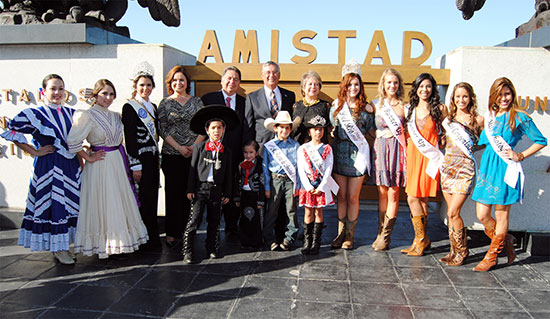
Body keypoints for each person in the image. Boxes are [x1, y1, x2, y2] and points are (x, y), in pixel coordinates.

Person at [1, 74, 80, 264]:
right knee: (55, 204)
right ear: (43, 91)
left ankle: (64, 245)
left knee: (70, 204)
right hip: (49, 166)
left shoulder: (71, 113)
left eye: (61, 88)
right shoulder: (35, 114)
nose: (57, 92)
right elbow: (12, 131)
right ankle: (59, 249)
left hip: (70, 165)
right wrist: (34, 152)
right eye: (53, 88)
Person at [471, 77, 547, 271]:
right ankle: (507, 241)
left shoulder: (520, 117)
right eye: (499, 94)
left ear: (512, 94)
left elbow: (541, 140)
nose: (504, 98)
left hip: (506, 169)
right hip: (488, 168)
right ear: (493, 97)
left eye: (507, 93)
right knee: (482, 213)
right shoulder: (490, 117)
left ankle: (492, 257)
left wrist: (520, 155)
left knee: (501, 214)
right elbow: (484, 143)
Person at [67, 79, 148, 258]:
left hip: (118, 162)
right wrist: (89, 156)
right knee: (103, 202)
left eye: (111, 94)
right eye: (104, 93)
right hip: (100, 165)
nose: (108, 98)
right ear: (96, 94)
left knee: (117, 201)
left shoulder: (115, 115)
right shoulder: (87, 115)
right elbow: (72, 141)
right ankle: (104, 244)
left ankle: (120, 243)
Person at [183, 105, 239, 264]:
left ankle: (211, 248)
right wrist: (190, 189)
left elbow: (229, 174)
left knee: (214, 221)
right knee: (194, 220)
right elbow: (192, 170)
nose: (216, 131)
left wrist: (227, 193)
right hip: (200, 189)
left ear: (224, 130)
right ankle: (188, 251)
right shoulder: (199, 148)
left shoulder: (226, 151)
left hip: (217, 190)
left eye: (219, 128)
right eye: (213, 128)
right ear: (207, 130)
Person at [329, 61, 375, 250]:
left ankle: (350, 236)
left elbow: (373, 132)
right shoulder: (337, 107)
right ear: (344, 86)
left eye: (356, 84)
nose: (353, 88)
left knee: (353, 197)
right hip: (340, 153)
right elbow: (332, 127)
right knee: (341, 196)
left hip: (358, 156)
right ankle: (340, 233)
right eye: (349, 84)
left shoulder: (367, 108)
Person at [202, 66, 251, 241]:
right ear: (222, 80)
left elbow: (246, 128)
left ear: (239, 83)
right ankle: (212, 228)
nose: (232, 82)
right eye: (229, 78)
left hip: (235, 154)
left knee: (232, 189)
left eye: (236, 79)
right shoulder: (208, 99)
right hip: (212, 155)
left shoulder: (245, 102)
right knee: (213, 190)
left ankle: (231, 226)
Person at [158, 65, 204, 247]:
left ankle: (188, 232)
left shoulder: (197, 102)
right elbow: (162, 128)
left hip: (193, 154)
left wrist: (193, 146)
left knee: (190, 194)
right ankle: (172, 233)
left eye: (182, 80)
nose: (179, 83)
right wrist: (179, 147)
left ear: (187, 82)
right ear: (170, 83)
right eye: (175, 80)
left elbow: (204, 126)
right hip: (172, 154)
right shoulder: (165, 103)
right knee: (173, 194)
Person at [439, 82, 484, 266]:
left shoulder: (478, 120)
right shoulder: (448, 119)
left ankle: (463, 251)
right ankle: (454, 250)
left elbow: (484, 143)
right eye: (458, 97)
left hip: (465, 169)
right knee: (451, 215)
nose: (461, 100)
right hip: (448, 167)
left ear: (470, 98)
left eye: (464, 96)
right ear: (453, 99)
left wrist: (471, 149)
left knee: (453, 211)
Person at [402, 73, 446, 257]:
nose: (424, 90)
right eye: (421, 86)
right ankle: (420, 239)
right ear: (416, 88)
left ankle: (421, 239)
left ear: (433, 89)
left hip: (429, 158)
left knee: (418, 198)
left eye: (428, 86)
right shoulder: (409, 109)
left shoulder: (440, 109)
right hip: (413, 155)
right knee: (415, 198)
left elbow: (447, 131)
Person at [121, 61, 161, 252]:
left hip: (153, 159)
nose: (145, 88)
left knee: (152, 198)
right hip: (141, 161)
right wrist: (135, 165)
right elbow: (130, 138)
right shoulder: (130, 107)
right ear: (135, 87)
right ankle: (142, 238)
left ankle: (152, 236)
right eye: (142, 85)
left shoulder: (152, 106)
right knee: (142, 199)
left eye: (148, 85)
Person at [371, 68, 407, 251]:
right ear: (383, 85)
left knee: (394, 193)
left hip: (397, 150)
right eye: (389, 82)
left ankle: (386, 236)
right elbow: (370, 128)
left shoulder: (404, 106)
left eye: (395, 82)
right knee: (382, 192)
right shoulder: (375, 105)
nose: (392, 85)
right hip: (380, 149)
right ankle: (380, 231)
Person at [297, 115, 338, 255]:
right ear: (309, 131)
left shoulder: (327, 148)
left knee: (318, 212)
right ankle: (307, 242)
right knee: (308, 212)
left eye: (320, 130)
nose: (318, 133)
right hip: (307, 185)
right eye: (315, 129)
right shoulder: (303, 148)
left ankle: (316, 243)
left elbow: (328, 169)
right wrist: (308, 186)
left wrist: (321, 187)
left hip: (321, 185)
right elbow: (301, 169)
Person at [262, 111, 301, 251]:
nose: (284, 130)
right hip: (275, 180)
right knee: (272, 210)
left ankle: (290, 238)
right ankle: (269, 239)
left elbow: (299, 167)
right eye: (281, 127)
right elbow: (265, 167)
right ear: (275, 128)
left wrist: (299, 185)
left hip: (291, 181)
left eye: (287, 128)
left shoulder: (296, 145)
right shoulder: (269, 146)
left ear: (291, 129)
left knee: (291, 210)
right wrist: (267, 186)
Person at [245, 61, 296, 154]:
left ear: (279, 75)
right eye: (268, 72)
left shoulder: (289, 96)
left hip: (285, 147)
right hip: (261, 147)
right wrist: (250, 148)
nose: (271, 75)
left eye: (275, 72)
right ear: (262, 75)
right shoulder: (252, 97)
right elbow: (249, 126)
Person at [233, 140, 265, 249]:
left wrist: (261, 200)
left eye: (251, 152)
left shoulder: (260, 165)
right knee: (244, 219)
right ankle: (245, 241)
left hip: (255, 195)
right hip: (244, 195)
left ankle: (256, 241)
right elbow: (236, 180)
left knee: (256, 220)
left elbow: (262, 182)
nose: (248, 155)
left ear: (256, 152)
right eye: (246, 152)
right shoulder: (240, 165)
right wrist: (237, 197)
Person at [292, 70, 330, 145]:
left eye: (316, 84)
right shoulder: (296, 106)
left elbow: (330, 128)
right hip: (299, 148)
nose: (313, 87)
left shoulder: (326, 106)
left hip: (320, 150)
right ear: (303, 87)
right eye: (310, 84)